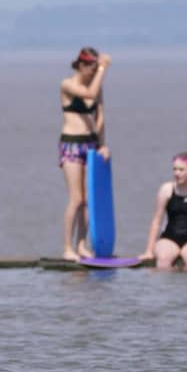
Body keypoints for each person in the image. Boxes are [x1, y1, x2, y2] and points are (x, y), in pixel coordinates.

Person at [59, 47, 111, 261]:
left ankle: (82, 244)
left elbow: (100, 117)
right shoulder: (68, 84)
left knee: (89, 200)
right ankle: (67, 247)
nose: (93, 70)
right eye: (91, 66)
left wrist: (102, 145)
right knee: (76, 199)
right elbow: (88, 94)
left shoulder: (96, 85)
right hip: (71, 144)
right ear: (80, 65)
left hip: (90, 144)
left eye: (95, 66)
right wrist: (103, 69)